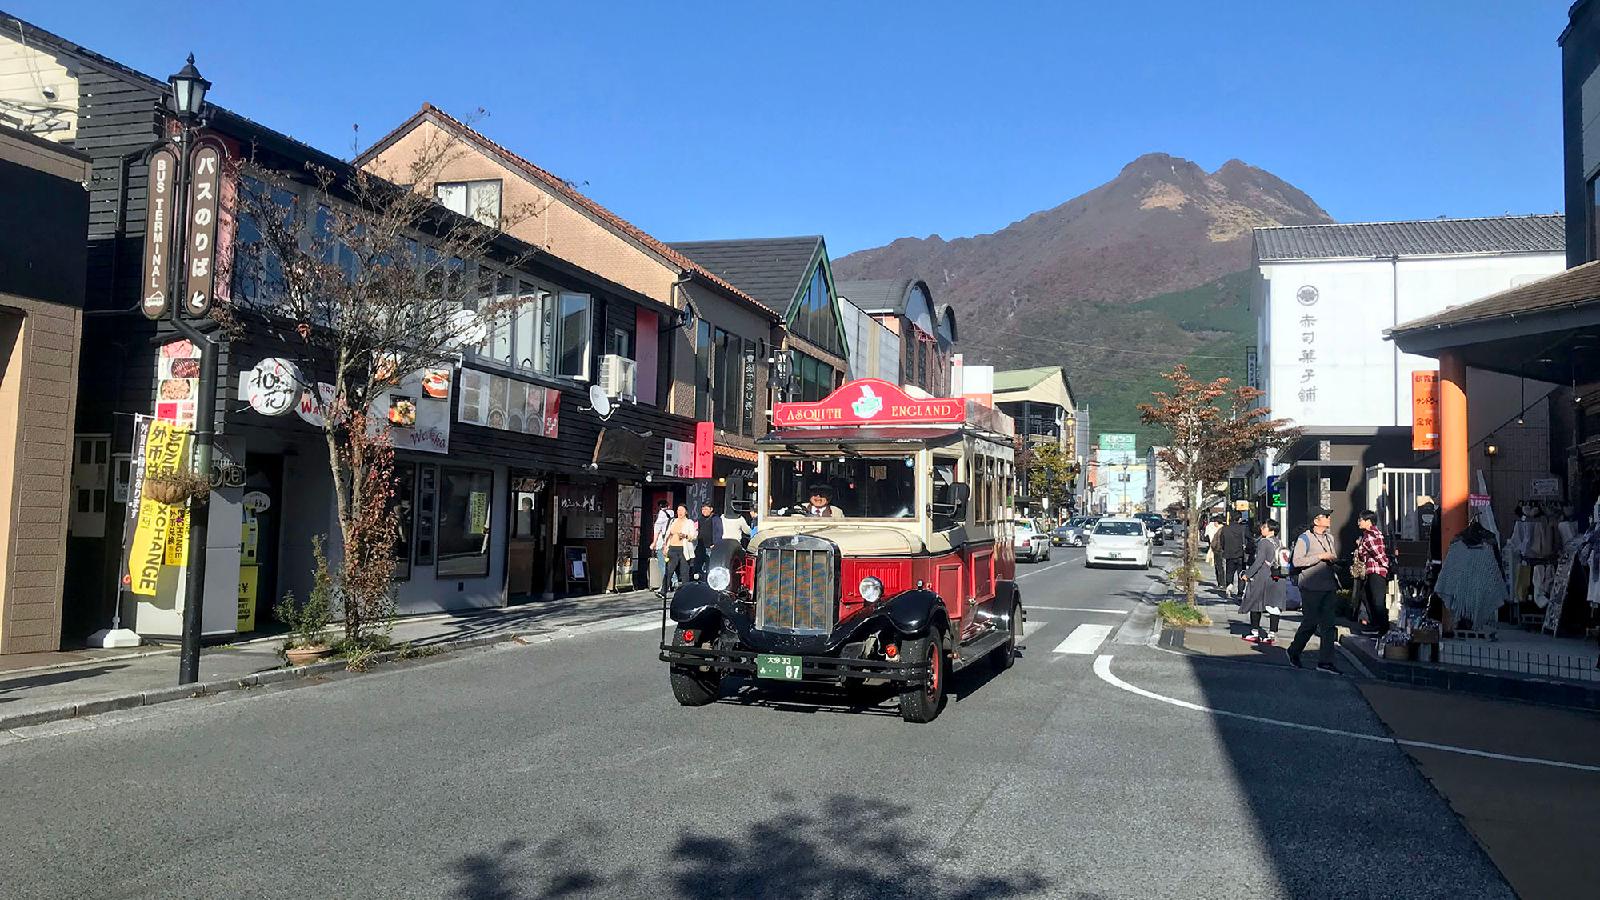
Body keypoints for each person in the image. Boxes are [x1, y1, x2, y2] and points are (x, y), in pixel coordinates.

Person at [1286, 507, 1341, 673]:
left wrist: (1334, 560)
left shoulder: (1329, 538)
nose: (1328, 518)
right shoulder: (1305, 539)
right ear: (1316, 521)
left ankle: (1325, 662)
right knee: (1310, 623)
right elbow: (1297, 561)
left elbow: (1332, 556)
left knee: (1329, 625)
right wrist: (1320, 557)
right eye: (1325, 516)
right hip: (1311, 587)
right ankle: (1294, 650)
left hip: (1329, 585)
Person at [1238, 519, 1286, 644]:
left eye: (1264, 527)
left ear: (1271, 530)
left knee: (1256, 603)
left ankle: (1254, 632)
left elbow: (1259, 561)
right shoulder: (1279, 542)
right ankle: (1271, 634)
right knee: (1274, 605)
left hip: (1263, 577)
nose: (1262, 529)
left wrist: (1248, 575)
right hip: (1277, 577)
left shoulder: (1263, 542)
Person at [1354, 510, 1391, 635]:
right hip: (1373, 570)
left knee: (1377, 600)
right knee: (1366, 595)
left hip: (1377, 571)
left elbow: (1378, 553)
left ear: (1368, 521)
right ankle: (1376, 624)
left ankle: (1381, 627)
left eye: (1361, 520)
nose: (1358, 522)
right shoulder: (1368, 535)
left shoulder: (1370, 535)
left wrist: (1385, 565)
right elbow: (1364, 556)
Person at [660, 505, 696, 597]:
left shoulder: (689, 522)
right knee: (669, 570)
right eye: (678, 510)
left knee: (684, 572)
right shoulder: (673, 521)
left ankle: (685, 593)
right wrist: (665, 546)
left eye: (682, 510)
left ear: (686, 512)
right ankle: (663, 591)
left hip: (684, 549)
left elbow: (694, 536)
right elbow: (668, 534)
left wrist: (685, 536)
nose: (679, 512)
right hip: (672, 548)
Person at [693, 501, 725, 578]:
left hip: (710, 547)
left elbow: (719, 532)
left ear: (711, 509)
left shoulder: (716, 519)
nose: (704, 511)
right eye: (702, 509)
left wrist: (715, 544)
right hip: (700, 546)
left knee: (710, 566)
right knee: (698, 565)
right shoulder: (700, 519)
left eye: (706, 509)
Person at [650, 500, 672, 588]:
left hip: (662, 542)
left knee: (662, 564)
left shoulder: (661, 515)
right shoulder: (672, 514)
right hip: (671, 542)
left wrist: (654, 543)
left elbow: (657, 529)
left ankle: (665, 585)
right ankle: (673, 581)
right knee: (670, 564)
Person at [1205, 515, 1225, 587]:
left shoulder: (1219, 530)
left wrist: (1213, 548)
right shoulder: (1224, 528)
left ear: (1217, 522)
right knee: (1221, 567)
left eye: (1215, 522)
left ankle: (1221, 583)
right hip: (1222, 550)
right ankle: (1222, 583)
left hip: (1217, 550)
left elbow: (1213, 541)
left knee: (1219, 567)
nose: (1214, 523)